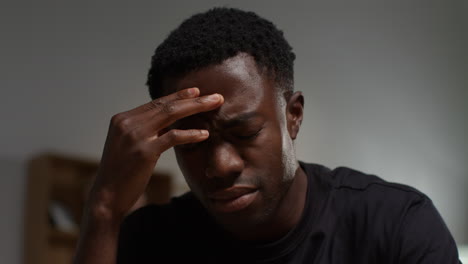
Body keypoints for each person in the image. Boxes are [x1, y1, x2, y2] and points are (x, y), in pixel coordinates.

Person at [74, 7, 461, 264]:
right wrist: (104, 211)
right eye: (193, 141)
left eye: (244, 132)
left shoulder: (393, 224)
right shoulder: (151, 241)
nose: (220, 165)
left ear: (293, 116)